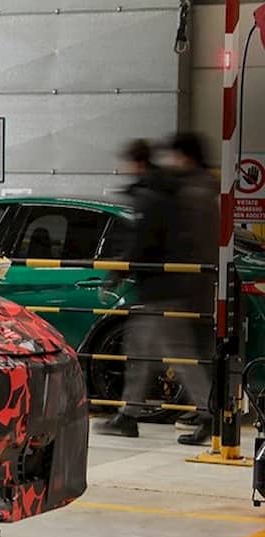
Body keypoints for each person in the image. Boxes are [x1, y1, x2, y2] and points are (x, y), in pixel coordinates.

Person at [97, 133, 217, 446]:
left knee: (176, 353)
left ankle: (207, 414)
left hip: (164, 289)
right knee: (143, 350)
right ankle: (129, 414)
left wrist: (117, 273)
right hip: (167, 287)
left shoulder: (156, 196)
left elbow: (144, 242)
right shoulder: (170, 190)